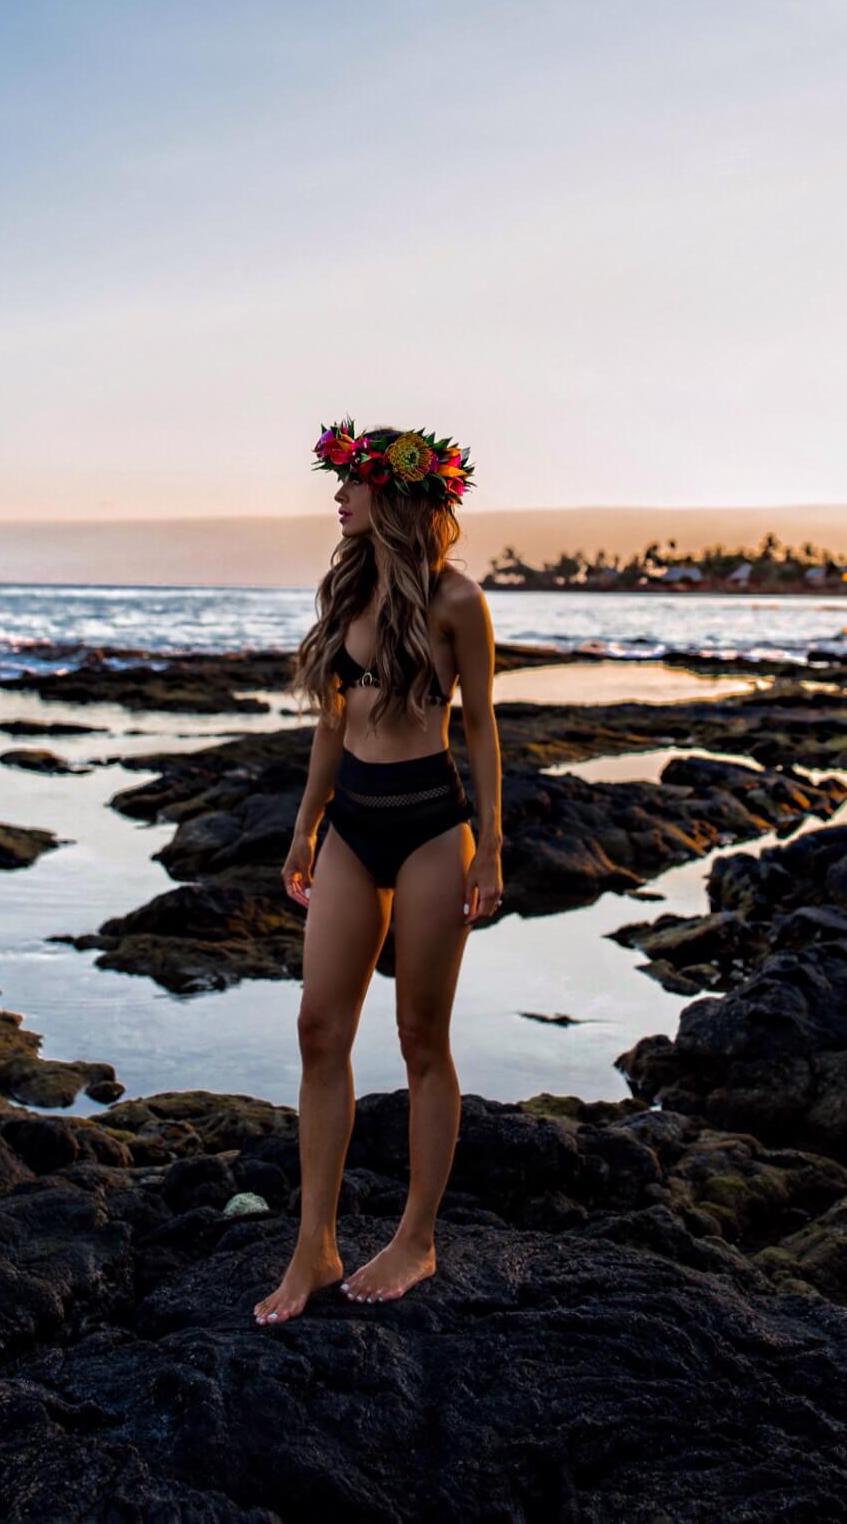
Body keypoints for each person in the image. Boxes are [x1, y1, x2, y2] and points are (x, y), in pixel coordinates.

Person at [253, 420, 503, 1326]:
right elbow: (330, 723)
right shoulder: (346, 588)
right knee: (320, 1027)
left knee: (419, 1038)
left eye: (350, 483)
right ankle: (314, 1246)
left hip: (435, 829)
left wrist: (497, 847)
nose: (337, 497)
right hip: (353, 828)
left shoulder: (457, 602)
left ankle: (417, 1238)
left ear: (393, 494)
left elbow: (480, 728)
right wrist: (303, 829)